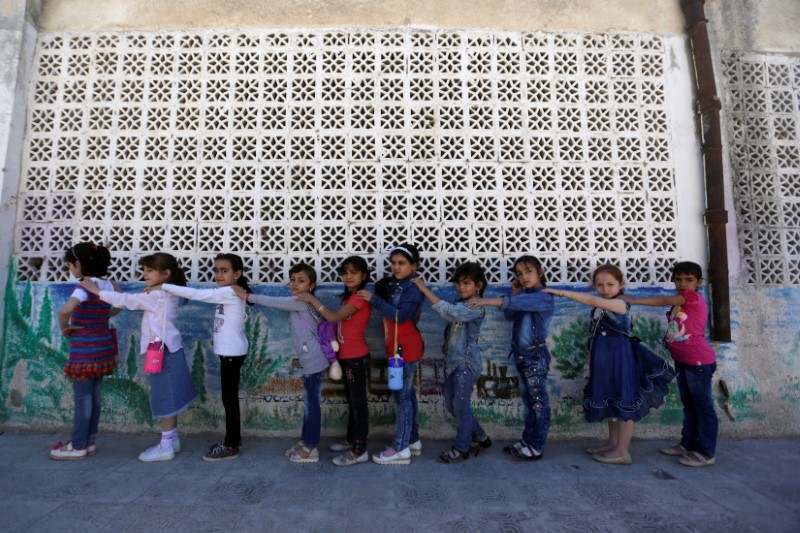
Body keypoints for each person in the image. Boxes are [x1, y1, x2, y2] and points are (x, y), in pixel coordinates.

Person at [545, 264, 673, 466]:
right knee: (611, 398)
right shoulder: (602, 304)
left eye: (610, 284)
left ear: (621, 284)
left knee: (624, 398)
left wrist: (560, 292)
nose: (605, 289)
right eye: (600, 285)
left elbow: (592, 299)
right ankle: (612, 444)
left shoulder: (621, 304)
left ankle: (622, 451)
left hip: (619, 358)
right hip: (603, 358)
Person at [82, 253, 197, 462]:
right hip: (169, 349)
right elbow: (131, 299)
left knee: (164, 397)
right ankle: (172, 439)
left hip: (163, 352)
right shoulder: (165, 293)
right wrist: (120, 291)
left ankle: (166, 446)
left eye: (149, 270)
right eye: (144, 269)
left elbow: (128, 301)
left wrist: (97, 291)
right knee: (169, 394)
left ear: (166, 274)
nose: (144, 274)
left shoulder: (158, 295)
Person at [159, 253, 252, 462]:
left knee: (229, 400)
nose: (218, 274)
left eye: (224, 270)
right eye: (217, 270)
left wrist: (165, 286)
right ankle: (233, 440)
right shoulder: (227, 291)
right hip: (230, 353)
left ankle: (231, 444)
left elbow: (198, 294)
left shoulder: (228, 292)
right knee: (229, 399)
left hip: (232, 354)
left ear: (237, 274)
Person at [626, 261, 718, 467]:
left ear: (699, 282)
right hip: (684, 361)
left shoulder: (690, 296)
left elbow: (664, 298)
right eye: (678, 279)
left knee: (703, 407)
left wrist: (632, 300)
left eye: (689, 280)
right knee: (690, 405)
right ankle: (687, 444)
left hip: (698, 362)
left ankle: (706, 453)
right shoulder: (680, 302)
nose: (683, 283)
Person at [234, 263, 328, 463]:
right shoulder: (304, 300)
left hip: (314, 360)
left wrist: (248, 297)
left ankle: (312, 447)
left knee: (312, 405)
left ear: (311, 285)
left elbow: (274, 301)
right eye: (292, 280)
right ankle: (305, 441)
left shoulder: (301, 301)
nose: (295, 284)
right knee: (309, 403)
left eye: (301, 281)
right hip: (311, 359)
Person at [468, 255, 554, 461]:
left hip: (535, 358)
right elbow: (510, 314)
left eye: (529, 271)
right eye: (519, 274)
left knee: (539, 403)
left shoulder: (544, 296)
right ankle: (527, 440)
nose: (524, 277)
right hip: (523, 357)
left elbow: (510, 303)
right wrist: (516, 293)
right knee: (529, 401)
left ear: (541, 272)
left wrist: (484, 300)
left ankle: (537, 446)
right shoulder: (524, 295)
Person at [411, 262, 492, 464]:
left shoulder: (475, 306)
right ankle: (481, 436)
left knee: (461, 407)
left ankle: (462, 448)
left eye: (466, 283)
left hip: (466, 364)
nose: (461, 287)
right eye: (459, 283)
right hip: (453, 363)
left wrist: (424, 289)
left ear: (478, 286)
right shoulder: (461, 303)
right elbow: (453, 323)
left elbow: (451, 313)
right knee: (451, 405)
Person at [296, 256, 372, 467]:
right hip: (346, 356)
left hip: (356, 357)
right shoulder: (351, 297)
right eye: (345, 272)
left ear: (364, 275)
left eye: (354, 272)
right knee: (351, 400)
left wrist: (312, 300)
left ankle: (360, 449)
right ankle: (350, 439)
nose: (348, 276)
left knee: (358, 404)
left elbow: (333, 317)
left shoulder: (359, 299)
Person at [50, 242, 118, 460]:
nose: (70, 268)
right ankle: (89, 441)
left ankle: (77, 444)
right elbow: (122, 303)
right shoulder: (108, 285)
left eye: (70, 264)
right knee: (95, 397)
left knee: (83, 399)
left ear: (78, 264)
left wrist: (64, 326)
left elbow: (65, 310)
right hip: (103, 347)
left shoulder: (84, 287)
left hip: (84, 351)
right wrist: (101, 318)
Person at [358, 244, 425, 465]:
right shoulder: (395, 285)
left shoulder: (413, 288)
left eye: (402, 263)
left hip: (405, 348)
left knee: (401, 398)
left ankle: (401, 447)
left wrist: (374, 300)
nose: (396, 267)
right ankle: (413, 440)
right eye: (394, 263)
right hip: (396, 347)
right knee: (406, 395)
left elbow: (401, 316)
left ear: (413, 266)